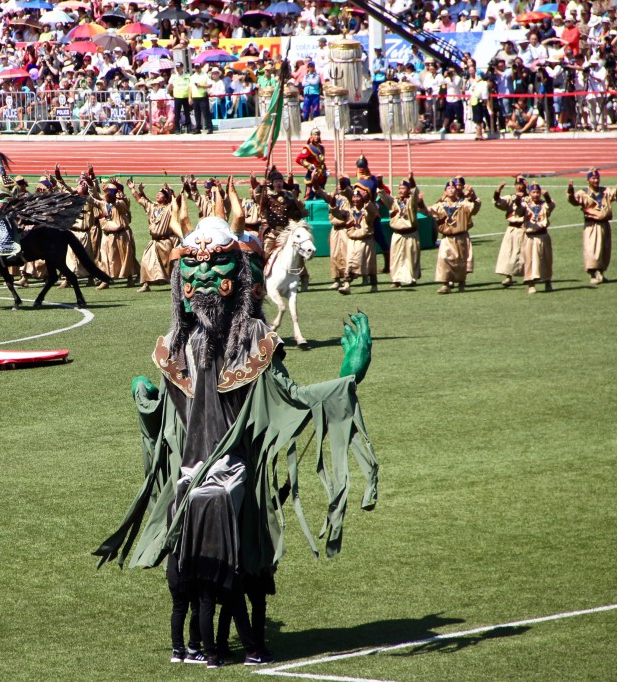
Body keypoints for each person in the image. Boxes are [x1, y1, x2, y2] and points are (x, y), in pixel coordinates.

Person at [95, 218, 378, 667]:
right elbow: (174, 418)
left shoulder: (237, 343)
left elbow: (289, 400)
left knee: (203, 580)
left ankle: (198, 648)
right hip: (224, 483)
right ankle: (239, 647)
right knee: (238, 575)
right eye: (192, 270)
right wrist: (146, 399)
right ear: (181, 283)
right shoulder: (188, 344)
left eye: (215, 267)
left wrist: (347, 376)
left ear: (238, 276)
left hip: (197, 483)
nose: (202, 278)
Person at [128, 179, 184, 293]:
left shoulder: (169, 208)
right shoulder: (152, 207)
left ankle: (176, 284)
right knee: (146, 261)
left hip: (165, 242)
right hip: (154, 242)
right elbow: (141, 200)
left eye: (161, 194)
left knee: (169, 266)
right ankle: (145, 284)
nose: (157, 195)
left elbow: (178, 201)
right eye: (157, 194)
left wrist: (180, 189)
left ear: (166, 198)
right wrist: (132, 189)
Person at [427, 179, 481, 294]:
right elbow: (428, 210)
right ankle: (445, 284)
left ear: (456, 191)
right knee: (443, 259)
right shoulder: (441, 205)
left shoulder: (463, 204)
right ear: (445, 191)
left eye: (453, 188)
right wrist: (419, 202)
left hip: (460, 236)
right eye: (449, 188)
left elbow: (474, 208)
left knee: (460, 261)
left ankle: (461, 282)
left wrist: (473, 195)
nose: (451, 190)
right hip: (446, 237)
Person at [567, 168, 616, 285]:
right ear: (588, 180)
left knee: (604, 249)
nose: (596, 180)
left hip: (604, 224)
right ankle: (593, 273)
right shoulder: (583, 193)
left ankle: (601, 271)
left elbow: (615, 194)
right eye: (593, 178)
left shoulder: (605, 191)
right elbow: (574, 201)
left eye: (597, 178)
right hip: (591, 225)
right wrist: (570, 190)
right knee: (592, 249)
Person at [379, 174, 427, 287]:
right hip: (397, 234)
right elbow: (383, 196)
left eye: (403, 188)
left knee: (411, 257)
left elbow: (415, 194)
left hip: (410, 233)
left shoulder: (412, 202)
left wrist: (411, 179)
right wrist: (379, 182)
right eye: (399, 188)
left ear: (408, 190)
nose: (401, 191)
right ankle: (395, 279)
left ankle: (411, 278)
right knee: (395, 257)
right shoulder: (394, 201)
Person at [492, 175, 528, 287]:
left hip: (525, 228)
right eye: (516, 184)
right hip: (512, 228)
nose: (518, 186)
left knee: (525, 253)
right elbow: (498, 201)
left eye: (520, 184)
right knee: (508, 252)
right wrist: (498, 190)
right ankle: (508, 276)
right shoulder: (511, 197)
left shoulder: (530, 198)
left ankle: (528, 275)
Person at [521, 183, 556, 294]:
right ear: (529, 193)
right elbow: (517, 208)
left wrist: (547, 196)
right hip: (530, 237)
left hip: (543, 235)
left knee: (546, 259)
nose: (536, 195)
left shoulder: (544, 204)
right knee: (529, 260)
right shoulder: (525, 205)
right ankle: (531, 284)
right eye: (533, 192)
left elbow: (551, 206)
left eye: (537, 192)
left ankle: (547, 281)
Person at [294, 129, 328, 200]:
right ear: (311, 136)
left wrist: (325, 170)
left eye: (318, 135)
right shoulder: (308, 148)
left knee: (321, 197)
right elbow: (299, 159)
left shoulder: (321, 148)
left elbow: (322, 162)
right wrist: (310, 166)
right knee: (309, 197)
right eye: (315, 135)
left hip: (321, 176)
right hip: (312, 175)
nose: (317, 136)